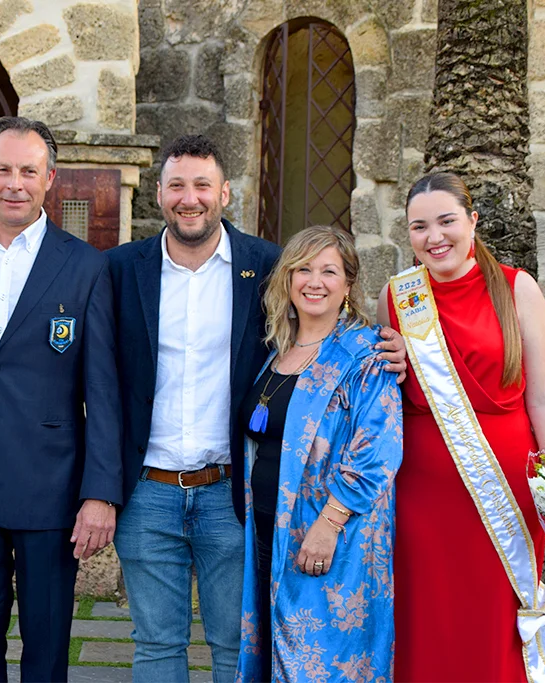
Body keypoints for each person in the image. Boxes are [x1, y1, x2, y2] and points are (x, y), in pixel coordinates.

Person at [0, 116, 122, 682]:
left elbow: (102, 387)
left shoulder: (84, 265)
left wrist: (100, 494)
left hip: (51, 490)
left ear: (50, 178)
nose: (15, 182)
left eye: (28, 171)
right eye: (3, 169)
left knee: (47, 651)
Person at [380, 172, 545, 683]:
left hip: (506, 495)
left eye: (446, 221)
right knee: (429, 623)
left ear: (473, 221)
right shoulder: (397, 299)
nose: (434, 236)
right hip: (423, 499)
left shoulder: (517, 288)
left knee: (495, 626)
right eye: (419, 226)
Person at [108, 134, 282, 682]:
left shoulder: (267, 266)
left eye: (202, 185)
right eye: (178, 185)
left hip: (231, 492)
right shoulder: (119, 269)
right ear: (158, 194)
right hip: (147, 493)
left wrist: (383, 345)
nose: (191, 198)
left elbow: (321, 333)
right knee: (157, 647)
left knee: (236, 647)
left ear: (225, 192)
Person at [236, 225, 403, 682]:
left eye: (329, 271)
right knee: (278, 655)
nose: (315, 281)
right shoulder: (277, 351)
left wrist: (328, 525)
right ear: (287, 279)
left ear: (348, 284)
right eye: (303, 269)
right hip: (271, 529)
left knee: (321, 663)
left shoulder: (366, 354)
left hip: (333, 538)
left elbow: (378, 453)